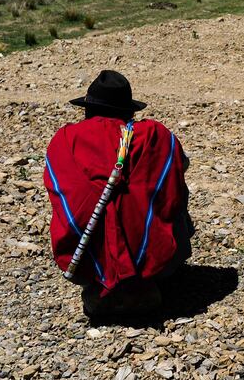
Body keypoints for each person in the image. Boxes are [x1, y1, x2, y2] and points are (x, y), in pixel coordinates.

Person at [44, 70, 193, 317]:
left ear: (88, 109)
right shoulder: (155, 135)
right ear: (129, 111)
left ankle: (99, 280)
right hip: (151, 249)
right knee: (171, 185)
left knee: (70, 200)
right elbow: (181, 166)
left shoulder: (67, 138)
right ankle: (150, 273)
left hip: (83, 250)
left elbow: (59, 186)